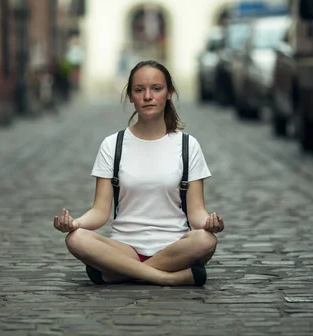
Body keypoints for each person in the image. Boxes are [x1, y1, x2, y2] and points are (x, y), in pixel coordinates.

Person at [53, 60, 225, 286]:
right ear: (130, 96)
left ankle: (115, 273)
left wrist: (211, 223)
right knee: (76, 239)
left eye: (156, 88)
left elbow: (196, 213)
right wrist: (75, 223)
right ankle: (169, 278)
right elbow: (100, 211)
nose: (147, 96)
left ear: (169, 93)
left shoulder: (187, 145)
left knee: (206, 240)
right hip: (124, 247)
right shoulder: (113, 144)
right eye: (139, 90)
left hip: (174, 247)